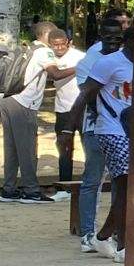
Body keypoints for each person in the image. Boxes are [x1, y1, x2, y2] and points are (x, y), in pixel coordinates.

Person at [75, 8, 134, 265]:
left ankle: (106, 235)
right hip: (105, 129)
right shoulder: (100, 62)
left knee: (127, 186)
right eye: (109, 36)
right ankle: (106, 239)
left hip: (131, 133)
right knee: (102, 181)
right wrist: (68, 130)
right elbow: (86, 97)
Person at [0, 28, 64, 204]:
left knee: (11, 148)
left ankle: (9, 189)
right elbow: (55, 73)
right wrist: (79, 67)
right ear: (47, 35)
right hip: (24, 103)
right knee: (27, 148)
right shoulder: (44, 51)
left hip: (8, 99)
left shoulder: (26, 48)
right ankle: (31, 191)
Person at [45, 29, 84, 190]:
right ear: (50, 44)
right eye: (56, 45)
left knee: (88, 145)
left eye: (63, 44)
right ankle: (64, 185)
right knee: (64, 147)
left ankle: (91, 183)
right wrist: (77, 68)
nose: (60, 48)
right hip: (63, 109)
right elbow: (55, 75)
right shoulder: (48, 57)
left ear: (68, 42)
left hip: (82, 107)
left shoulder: (81, 57)